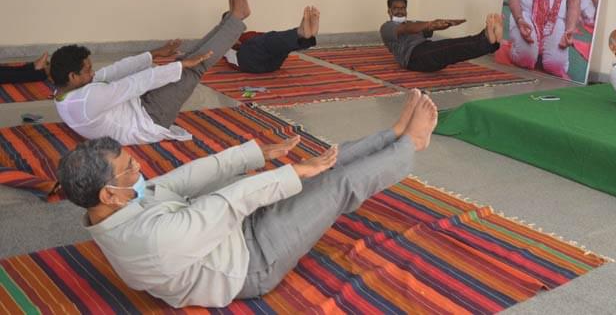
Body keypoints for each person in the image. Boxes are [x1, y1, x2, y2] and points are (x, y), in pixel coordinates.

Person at [56, 90, 438, 308]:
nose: (141, 169)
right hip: (252, 262)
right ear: (108, 193)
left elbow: (182, 179)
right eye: (130, 168)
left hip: (234, 233)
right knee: (333, 186)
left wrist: (257, 156)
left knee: (319, 167)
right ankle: (411, 144)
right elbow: (224, 203)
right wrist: (291, 174)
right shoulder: (148, 244)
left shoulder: (119, 204)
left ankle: (391, 136)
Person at [50, 0, 250, 145]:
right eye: (87, 71)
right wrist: (179, 68)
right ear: (72, 76)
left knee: (186, 62)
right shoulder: (87, 100)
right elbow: (133, 83)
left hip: (139, 105)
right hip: (150, 119)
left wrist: (155, 53)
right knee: (193, 68)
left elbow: (114, 71)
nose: (92, 73)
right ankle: (236, 19)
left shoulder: (64, 92)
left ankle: (232, 19)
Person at [380, 0, 503, 73]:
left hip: (425, 53)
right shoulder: (387, 27)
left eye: (402, 8)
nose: (400, 11)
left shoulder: (414, 22)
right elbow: (406, 29)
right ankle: (485, 37)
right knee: (451, 46)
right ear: (389, 11)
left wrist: (447, 23)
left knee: (455, 51)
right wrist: (430, 23)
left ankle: (491, 43)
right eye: (396, 8)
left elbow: (432, 27)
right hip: (413, 57)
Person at [223, 6, 320, 73]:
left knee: (276, 42)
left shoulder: (248, 35)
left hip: (272, 64)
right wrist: (233, 42)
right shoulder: (224, 41)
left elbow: (274, 39)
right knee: (268, 39)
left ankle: (307, 35)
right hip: (248, 63)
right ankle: (301, 32)